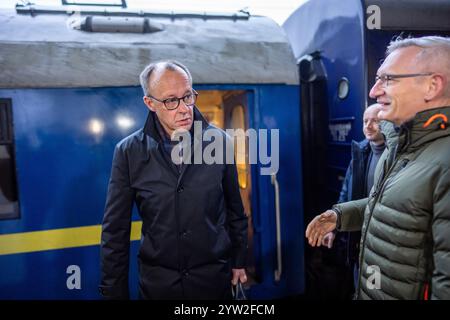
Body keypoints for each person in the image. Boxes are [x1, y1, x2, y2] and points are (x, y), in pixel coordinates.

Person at [306, 36, 450, 300]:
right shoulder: (399, 145)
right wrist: (340, 216)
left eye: (389, 79)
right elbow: (393, 208)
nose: (374, 91)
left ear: (432, 86)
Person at [99, 60, 248, 300]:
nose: (184, 108)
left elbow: (235, 211)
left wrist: (239, 261)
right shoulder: (129, 152)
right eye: (171, 100)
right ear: (150, 103)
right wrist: (112, 292)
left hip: (212, 282)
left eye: (188, 96)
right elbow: (115, 231)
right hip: (158, 286)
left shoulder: (220, 143)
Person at [321, 104, 385, 298]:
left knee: (375, 290)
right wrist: (334, 226)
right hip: (359, 239)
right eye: (365, 121)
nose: (368, 125)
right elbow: (346, 192)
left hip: (380, 241)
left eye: (375, 121)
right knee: (360, 287)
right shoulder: (360, 152)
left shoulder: (394, 155)